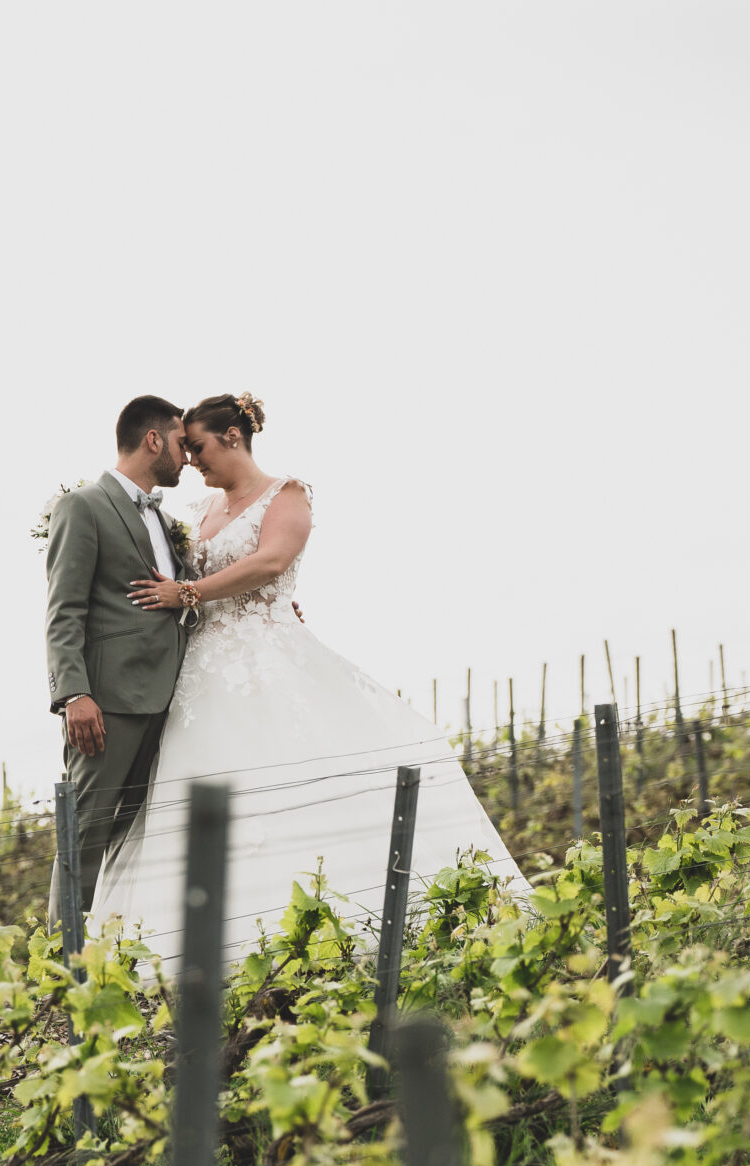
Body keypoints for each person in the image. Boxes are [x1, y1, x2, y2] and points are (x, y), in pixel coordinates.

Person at [91, 392, 528, 967]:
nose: (190, 460)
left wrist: (192, 592)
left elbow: (272, 563)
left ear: (232, 437)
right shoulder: (199, 511)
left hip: (268, 659)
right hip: (203, 670)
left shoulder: (287, 495)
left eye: (196, 447)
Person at [43, 395, 195, 917]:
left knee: (133, 840)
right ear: (153, 440)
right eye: (181, 443)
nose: (188, 456)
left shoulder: (166, 521)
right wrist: (74, 693)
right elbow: (64, 609)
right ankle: (59, 973)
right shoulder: (83, 506)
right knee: (84, 833)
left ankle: (111, 952)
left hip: (168, 698)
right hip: (107, 704)